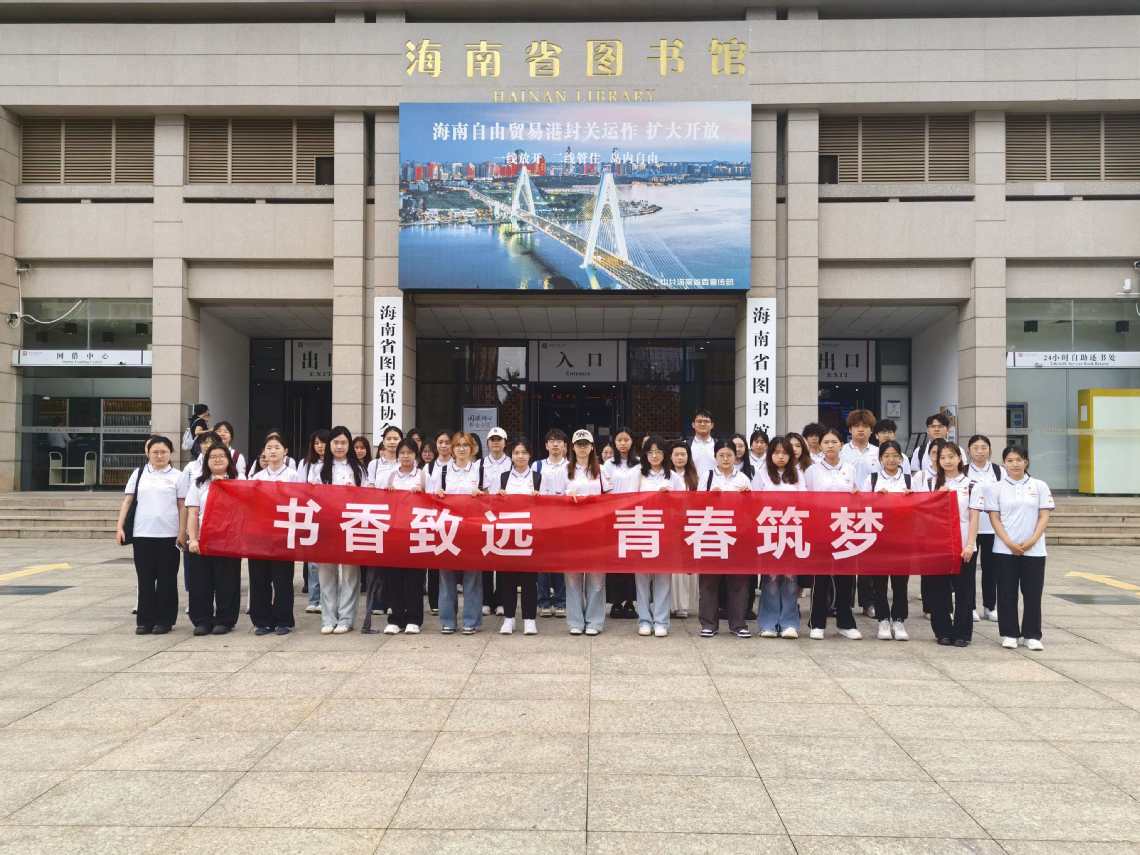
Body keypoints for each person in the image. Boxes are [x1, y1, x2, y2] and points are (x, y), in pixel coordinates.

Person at [976, 445, 1054, 651]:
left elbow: (1044, 515)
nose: (1015, 464)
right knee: (1006, 592)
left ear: (1026, 462)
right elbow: (994, 518)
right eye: (1010, 460)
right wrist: (1009, 543)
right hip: (1004, 549)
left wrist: (1032, 541)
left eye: (1019, 460)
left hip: (1034, 550)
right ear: (1004, 464)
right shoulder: (996, 488)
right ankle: (1009, 633)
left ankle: (1032, 635)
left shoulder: (1039, 486)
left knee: (1032, 593)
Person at [117, 435, 185, 635]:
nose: (159, 455)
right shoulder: (138, 474)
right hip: (142, 534)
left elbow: (183, 506)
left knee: (166, 579)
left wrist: (182, 532)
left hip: (169, 535)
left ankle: (165, 620)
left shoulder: (178, 476)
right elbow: (128, 501)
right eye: (155, 452)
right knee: (145, 579)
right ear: (148, 453)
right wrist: (119, 527)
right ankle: (145, 620)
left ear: (170, 453)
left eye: (164, 452)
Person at [920, 439, 979, 647]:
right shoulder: (930, 482)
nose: (947, 461)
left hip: (963, 543)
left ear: (960, 458)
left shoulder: (971, 485)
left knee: (964, 590)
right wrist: (937, 497)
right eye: (942, 457)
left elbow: (973, 517)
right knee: (938, 590)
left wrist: (970, 544)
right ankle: (942, 631)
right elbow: (922, 511)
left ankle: (962, 633)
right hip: (937, 544)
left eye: (951, 456)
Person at [804, 427, 861, 641]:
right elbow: (806, 498)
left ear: (841, 445)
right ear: (820, 446)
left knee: (845, 577)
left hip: (845, 527)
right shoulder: (812, 470)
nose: (830, 446)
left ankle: (845, 622)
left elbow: (859, 492)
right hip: (821, 527)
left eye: (834, 442)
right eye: (826, 442)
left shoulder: (850, 468)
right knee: (821, 577)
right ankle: (817, 622)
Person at [310, 425, 367, 635]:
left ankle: (346, 618)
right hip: (327, 525)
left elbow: (368, 498)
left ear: (349, 444)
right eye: (336, 442)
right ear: (330, 445)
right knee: (326, 573)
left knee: (350, 573)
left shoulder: (358, 469)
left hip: (351, 525)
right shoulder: (318, 469)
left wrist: (355, 494)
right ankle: (328, 618)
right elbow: (311, 497)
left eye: (344, 442)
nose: (340, 446)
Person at [625, 436, 680, 637]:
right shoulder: (637, 474)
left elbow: (683, 505)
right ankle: (644, 620)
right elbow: (628, 501)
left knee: (663, 578)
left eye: (658, 452)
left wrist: (670, 497)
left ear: (665, 454)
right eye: (650, 452)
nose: (654, 456)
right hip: (642, 530)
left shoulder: (674, 477)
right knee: (642, 578)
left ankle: (661, 621)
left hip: (666, 532)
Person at [697, 439, 752, 639]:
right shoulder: (708, 476)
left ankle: (738, 624)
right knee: (709, 581)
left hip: (737, 535)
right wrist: (709, 497)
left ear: (736, 456)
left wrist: (747, 497)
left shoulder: (743, 478)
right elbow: (696, 504)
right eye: (721, 455)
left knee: (738, 581)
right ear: (715, 457)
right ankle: (708, 624)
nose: (726, 459)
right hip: (712, 533)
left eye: (729, 455)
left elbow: (752, 508)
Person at [185, 443, 241, 636]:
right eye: (213, 456)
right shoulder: (199, 484)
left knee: (227, 583)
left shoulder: (238, 482)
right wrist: (193, 539)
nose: (217, 459)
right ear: (206, 461)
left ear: (229, 460)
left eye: (221, 456)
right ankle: (202, 620)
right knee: (200, 583)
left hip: (228, 541)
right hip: (203, 540)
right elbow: (193, 513)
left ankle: (225, 620)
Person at [859, 440, 913, 641]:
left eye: (895, 456)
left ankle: (899, 620)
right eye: (887, 456)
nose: (891, 459)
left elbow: (920, 506)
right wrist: (875, 497)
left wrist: (910, 497)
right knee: (879, 582)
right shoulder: (872, 479)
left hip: (902, 537)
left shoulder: (909, 480)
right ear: (880, 459)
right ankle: (882, 619)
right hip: (878, 537)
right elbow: (861, 505)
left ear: (901, 458)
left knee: (900, 582)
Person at [434, 431, 485, 635]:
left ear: (472, 449)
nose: (461, 449)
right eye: (457, 445)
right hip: (448, 529)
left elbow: (493, 498)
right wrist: (438, 495)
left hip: (473, 529)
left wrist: (482, 495)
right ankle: (448, 620)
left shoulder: (480, 469)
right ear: (452, 449)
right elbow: (432, 498)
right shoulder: (443, 471)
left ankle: (471, 621)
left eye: (465, 445)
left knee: (472, 577)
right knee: (446, 576)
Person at [495, 439, 547, 635]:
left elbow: (547, 504)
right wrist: (499, 496)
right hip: (508, 533)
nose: (520, 456)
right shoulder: (504, 476)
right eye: (516, 452)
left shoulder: (537, 477)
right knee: (507, 578)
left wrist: (539, 498)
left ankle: (529, 619)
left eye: (524, 452)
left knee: (529, 579)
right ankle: (509, 618)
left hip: (529, 534)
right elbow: (493, 504)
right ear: (511, 455)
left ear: (530, 455)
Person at [248, 432, 297, 636]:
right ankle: (262, 620)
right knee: (259, 579)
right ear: (264, 453)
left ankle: (283, 620)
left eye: (277, 447)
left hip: (283, 534)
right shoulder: (256, 478)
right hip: (259, 535)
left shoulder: (293, 476)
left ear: (285, 451)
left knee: (282, 579)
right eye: (269, 448)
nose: (273, 451)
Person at [755, 436, 804, 639]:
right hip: (770, 531)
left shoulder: (798, 474)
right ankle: (768, 623)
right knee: (771, 579)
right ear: (770, 455)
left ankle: (789, 623)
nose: (781, 456)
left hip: (792, 531)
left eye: (785, 453)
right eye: (776, 452)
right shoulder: (762, 474)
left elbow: (806, 500)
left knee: (791, 579)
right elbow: (753, 501)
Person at [564, 429, 610, 636]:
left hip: (596, 530)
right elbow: (552, 499)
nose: (582, 448)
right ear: (573, 448)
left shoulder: (601, 470)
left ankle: (594, 621)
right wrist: (567, 497)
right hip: (571, 530)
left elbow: (610, 498)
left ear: (592, 447)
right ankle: (575, 621)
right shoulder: (564, 470)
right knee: (573, 578)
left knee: (597, 578)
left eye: (586, 444)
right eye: (578, 444)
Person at [381, 437, 426, 635]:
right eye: (402, 453)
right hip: (395, 532)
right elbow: (382, 501)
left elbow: (433, 500)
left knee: (414, 579)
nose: (405, 456)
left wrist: (422, 492)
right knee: (394, 578)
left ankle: (414, 619)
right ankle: (395, 618)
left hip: (416, 532)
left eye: (409, 452)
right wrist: (388, 492)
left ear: (415, 455)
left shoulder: (422, 474)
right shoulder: (391, 475)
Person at [362, 426, 402, 625]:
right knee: (377, 563)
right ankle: (377, 602)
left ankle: (394, 601)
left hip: (400, 518)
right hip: (378, 517)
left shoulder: (406, 462)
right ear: (383, 441)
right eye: (389, 438)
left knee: (395, 563)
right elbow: (369, 486)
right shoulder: (374, 464)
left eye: (396, 438)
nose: (392, 442)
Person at [965, 434, 1003, 622]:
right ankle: (970, 606)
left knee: (991, 570)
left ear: (989, 450)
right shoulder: (963, 471)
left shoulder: (999, 471)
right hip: (970, 528)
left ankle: (990, 606)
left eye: (984, 447)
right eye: (975, 448)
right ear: (969, 451)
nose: (980, 451)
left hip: (992, 528)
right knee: (968, 571)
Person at [604, 427, 639, 619]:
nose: (623, 443)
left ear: (632, 441)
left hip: (634, 516)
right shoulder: (608, 464)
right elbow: (605, 488)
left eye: (626, 439)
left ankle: (630, 602)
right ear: (614, 443)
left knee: (632, 559)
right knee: (615, 559)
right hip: (614, 515)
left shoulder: (640, 463)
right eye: (619, 440)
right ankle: (616, 602)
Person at [534, 429, 569, 618]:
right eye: (552, 441)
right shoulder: (537, 466)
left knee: (560, 562)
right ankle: (543, 601)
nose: (555, 444)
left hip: (563, 521)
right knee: (542, 563)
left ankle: (561, 601)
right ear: (546, 445)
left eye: (559, 441)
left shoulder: (570, 466)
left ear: (565, 446)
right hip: (542, 520)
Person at [479, 426, 513, 616]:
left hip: (505, 515)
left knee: (502, 559)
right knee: (485, 558)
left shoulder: (512, 463)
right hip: (484, 515)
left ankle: (501, 600)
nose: (496, 443)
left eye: (499, 439)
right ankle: (486, 600)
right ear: (488, 443)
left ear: (505, 443)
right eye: (492, 440)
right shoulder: (480, 464)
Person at [297, 428, 329, 614]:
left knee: (328, 561)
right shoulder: (306, 464)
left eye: (323, 442)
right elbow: (299, 488)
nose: (320, 446)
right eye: (316, 443)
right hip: (312, 513)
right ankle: (313, 598)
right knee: (313, 561)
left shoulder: (334, 464)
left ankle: (326, 599)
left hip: (329, 514)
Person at [668, 441, 700, 619]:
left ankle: (684, 605)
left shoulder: (695, 477)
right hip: (670, 524)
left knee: (686, 566)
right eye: (676, 454)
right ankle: (670, 604)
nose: (680, 458)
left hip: (690, 524)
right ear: (670, 457)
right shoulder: (666, 476)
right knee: (671, 567)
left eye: (683, 454)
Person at [687, 409, 717, 476]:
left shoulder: (718, 445)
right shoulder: (686, 445)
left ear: (712, 425)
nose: (702, 424)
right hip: (692, 482)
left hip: (714, 482)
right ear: (693, 425)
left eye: (706, 421)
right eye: (699, 421)